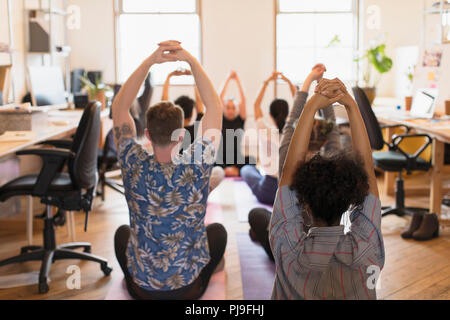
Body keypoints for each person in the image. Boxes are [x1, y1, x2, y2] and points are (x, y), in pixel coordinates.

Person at [112, 41, 227, 300]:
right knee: (218, 232)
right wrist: (191, 61)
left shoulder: (132, 161)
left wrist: (150, 61)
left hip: (143, 291)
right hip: (189, 290)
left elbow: (119, 107)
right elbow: (215, 108)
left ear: (147, 135)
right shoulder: (198, 162)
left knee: (122, 234)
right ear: (181, 135)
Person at [270, 77, 384, 300]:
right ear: (351, 198)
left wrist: (312, 104)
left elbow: (288, 171)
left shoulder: (289, 248)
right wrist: (349, 103)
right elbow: (368, 171)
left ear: (306, 204)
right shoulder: (367, 246)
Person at [248, 64, 341, 259]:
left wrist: (310, 79)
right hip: (325, 251)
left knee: (256, 212)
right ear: (324, 142)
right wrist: (329, 94)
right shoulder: (334, 169)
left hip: (288, 250)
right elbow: (331, 130)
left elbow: (292, 119)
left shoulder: (288, 167)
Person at [162, 69, 225, 192]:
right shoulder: (197, 126)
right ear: (192, 113)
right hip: (195, 179)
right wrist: (194, 78)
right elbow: (200, 104)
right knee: (219, 172)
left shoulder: (171, 128)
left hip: (176, 179)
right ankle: (201, 194)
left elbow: (164, 102)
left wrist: (169, 77)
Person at [240, 71, 294, 205]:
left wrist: (267, 81)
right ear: (288, 114)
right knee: (255, 172)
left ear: (270, 114)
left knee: (246, 169)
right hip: (290, 194)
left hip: (267, 192)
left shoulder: (265, 129)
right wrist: (288, 82)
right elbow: (302, 105)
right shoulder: (294, 130)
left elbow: (256, 104)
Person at [217, 70, 252, 177]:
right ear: (224, 108)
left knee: (252, 160)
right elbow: (219, 98)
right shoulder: (220, 119)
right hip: (221, 157)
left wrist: (237, 81)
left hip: (237, 158)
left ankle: (229, 171)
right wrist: (227, 79)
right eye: (228, 107)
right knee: (211, 160)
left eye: (233, 108)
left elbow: (243, 99)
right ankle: (229, 171)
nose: (230, 110)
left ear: (236, 109)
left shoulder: (240, 119)